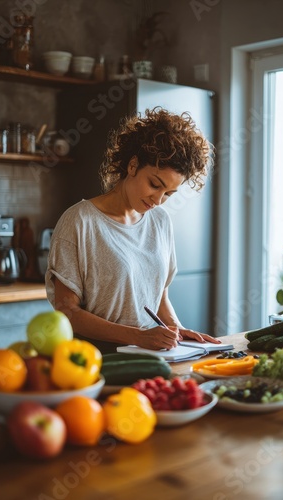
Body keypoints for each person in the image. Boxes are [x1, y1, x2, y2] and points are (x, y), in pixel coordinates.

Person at [46, 107, 220, 352]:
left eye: (168, 194)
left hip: (150, 354)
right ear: (132, 165)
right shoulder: (79, 221)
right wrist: (139, 336)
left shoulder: (160, 222)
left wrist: (177, 331)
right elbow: (67, 311)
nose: (158, 200)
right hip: (95, 359)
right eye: (154, 184)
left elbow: (159, 298)